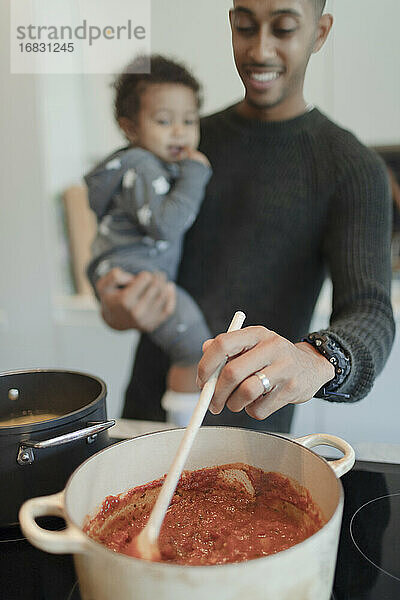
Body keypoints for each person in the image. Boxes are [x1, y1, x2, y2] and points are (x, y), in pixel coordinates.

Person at [95, 0, 395, 432]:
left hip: (249, 439)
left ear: (320, 32)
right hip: (147, 415)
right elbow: (127, 250)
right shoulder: (184, 144)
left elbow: (371, 314)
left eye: (284, 28)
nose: (259, 49)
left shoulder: (351, 168)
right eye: (245, 27)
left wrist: (314, 358)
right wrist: (117, 306)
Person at [85, 56, 213, 411]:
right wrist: (195, 175)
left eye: (189, 120)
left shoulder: (148, 164)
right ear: (130, 128)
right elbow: (166, 223)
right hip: (133, 273)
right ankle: (181, 425)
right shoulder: (142, 166)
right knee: (193, 345)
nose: (180, 132)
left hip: (131, 268)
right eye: (163, 121)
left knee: (191, 346)